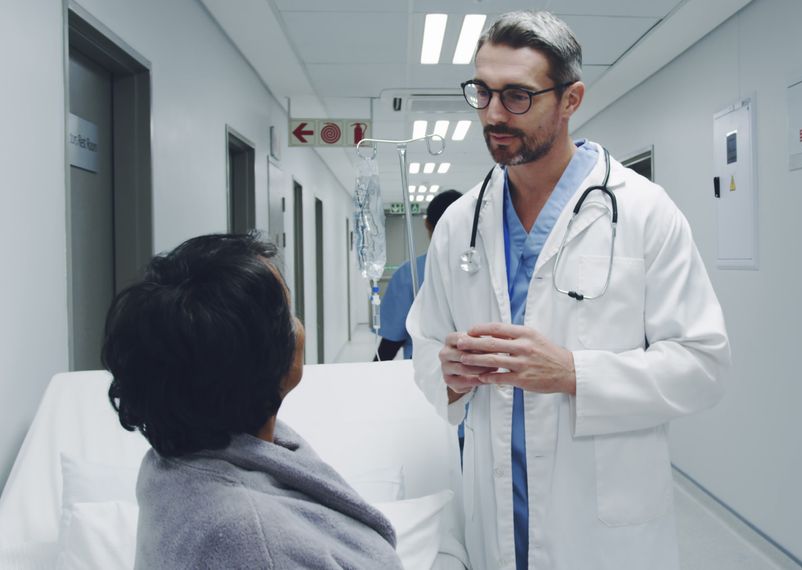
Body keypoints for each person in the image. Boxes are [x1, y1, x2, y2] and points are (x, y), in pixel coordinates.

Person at [406, 11, 731, 570]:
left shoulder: (644, 212)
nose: (492, 114)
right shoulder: (461, 222)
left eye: (517, 96)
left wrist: (572, 373)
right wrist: (450, 376)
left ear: (571, 99)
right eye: (482, 92)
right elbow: (426, 345)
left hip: (603, 525)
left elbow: (703, 365)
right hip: (497, 506)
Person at [102, 233, 403, 570]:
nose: (299, 326)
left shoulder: (174, 459)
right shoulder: (256, 544)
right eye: (289, 314)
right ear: (267, 361)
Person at [375, 189, 463, 361]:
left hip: (422, 368)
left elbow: (391, 342)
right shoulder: (492, 268)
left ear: (428, 225)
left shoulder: (409, 273)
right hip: (483, 370)